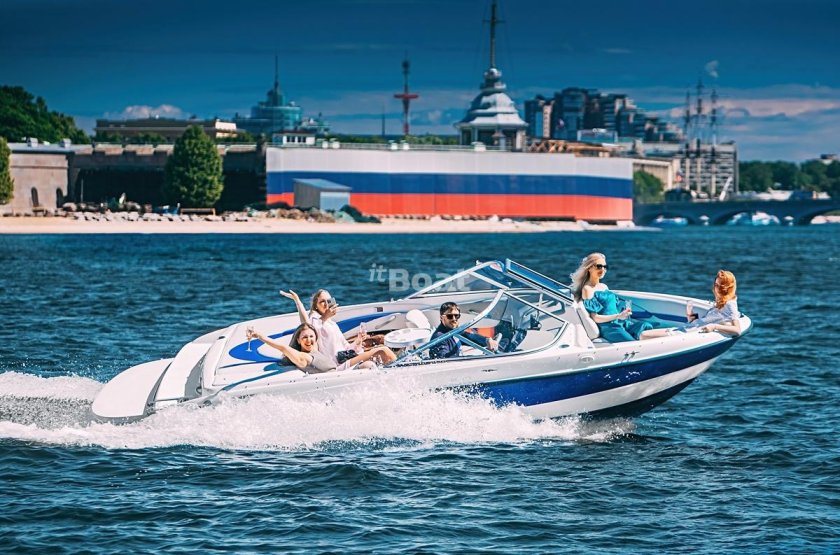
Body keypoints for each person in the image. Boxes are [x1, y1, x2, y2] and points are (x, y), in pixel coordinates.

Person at [280, 288, 396, 368]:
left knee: (382, 347)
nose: (326, 304)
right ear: (316, 306)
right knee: (383, 351)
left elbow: (346, 347)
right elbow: (309, 326)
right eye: (322, 302)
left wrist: (358, 341)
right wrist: (298, 301)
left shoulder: (332, 324)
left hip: (345, 358)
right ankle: (400, 370)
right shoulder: (315, 319)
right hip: (336, 364)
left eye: (329, 301)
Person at [571, 252, 653, 342]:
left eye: (605, 267)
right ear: (589, 268)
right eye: (599, 266)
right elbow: (595, 318)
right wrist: (618, 316)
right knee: (633, 343)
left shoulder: (604, 286)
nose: (603, 269)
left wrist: (622, 315)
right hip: (610, 328)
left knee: (645, 325)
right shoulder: (587, 289)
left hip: (621, 323)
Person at [641, 270, 742, 338]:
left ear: (728, 288)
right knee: (643, 333)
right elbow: (701, 322)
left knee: (644, 335)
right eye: (716, 285)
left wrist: (714, 327)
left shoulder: (730, 304)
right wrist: (690, 314)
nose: (717, 288)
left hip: (684, 334)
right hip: (684, 329)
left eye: (721, 286)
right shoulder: (720, 302)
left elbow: (737, 330)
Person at [247, 323, 334, 374]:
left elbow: (305, 321)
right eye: (304, 337)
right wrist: (260, 336)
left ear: (315, 338)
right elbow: (283, 348)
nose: (309, 340)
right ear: (298, 340)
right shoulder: (303, 358)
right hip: (334, 380)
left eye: (311, 336)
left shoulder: (314, 347)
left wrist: (298, 301)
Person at [429, 301, 499, 359]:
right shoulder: (439, 338)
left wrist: (487, 340)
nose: (454, 319)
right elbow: (444, 362)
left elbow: (471, 337)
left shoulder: (454, 332)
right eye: (450, 316)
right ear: (441, 318)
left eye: (456, 316)